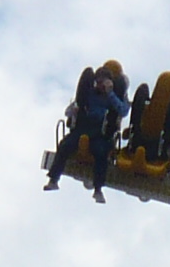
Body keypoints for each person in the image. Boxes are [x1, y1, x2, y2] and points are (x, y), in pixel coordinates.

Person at [44, 61, 133, 201]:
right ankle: (53, 180)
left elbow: (123, 111)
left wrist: (110, 93)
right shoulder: (88, 94)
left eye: (103, 83)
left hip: (101, 133)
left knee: (100, 152)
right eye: (98, 82)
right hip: (83, 128)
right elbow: (69, 111)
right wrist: (74, 111)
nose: (100, 86)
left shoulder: (113, 97)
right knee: (65, 145)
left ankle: (98, 189)